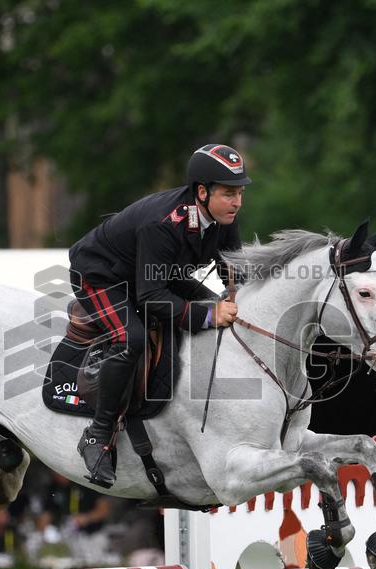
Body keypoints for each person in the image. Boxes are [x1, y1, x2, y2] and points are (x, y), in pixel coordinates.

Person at [68, 144, 250, 488]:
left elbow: (234, 270)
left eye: (239, 193)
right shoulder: (163, 224)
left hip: (155, 274)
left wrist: (234, 296)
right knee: (130, 338)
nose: (237, 202)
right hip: (100, 276)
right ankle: (97, 435)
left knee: (216, 307)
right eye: (229, 193)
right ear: (202, 191)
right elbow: (151, 298)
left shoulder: (224, 216)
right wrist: (209, 315)